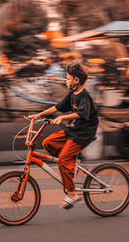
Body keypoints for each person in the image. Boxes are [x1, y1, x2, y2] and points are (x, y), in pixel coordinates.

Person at [29, 63, 98, 209]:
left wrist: (62, 118)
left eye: (67, 78)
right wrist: (39, 115)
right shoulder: (72, 95)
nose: (65, 81)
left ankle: (72, 194)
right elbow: (57, 107)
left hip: (83, 133)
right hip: (73, 130)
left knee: (63, 160)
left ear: (76, 80)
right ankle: (69, 163)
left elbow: (81, 114)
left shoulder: (84, 96)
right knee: (48, 142)